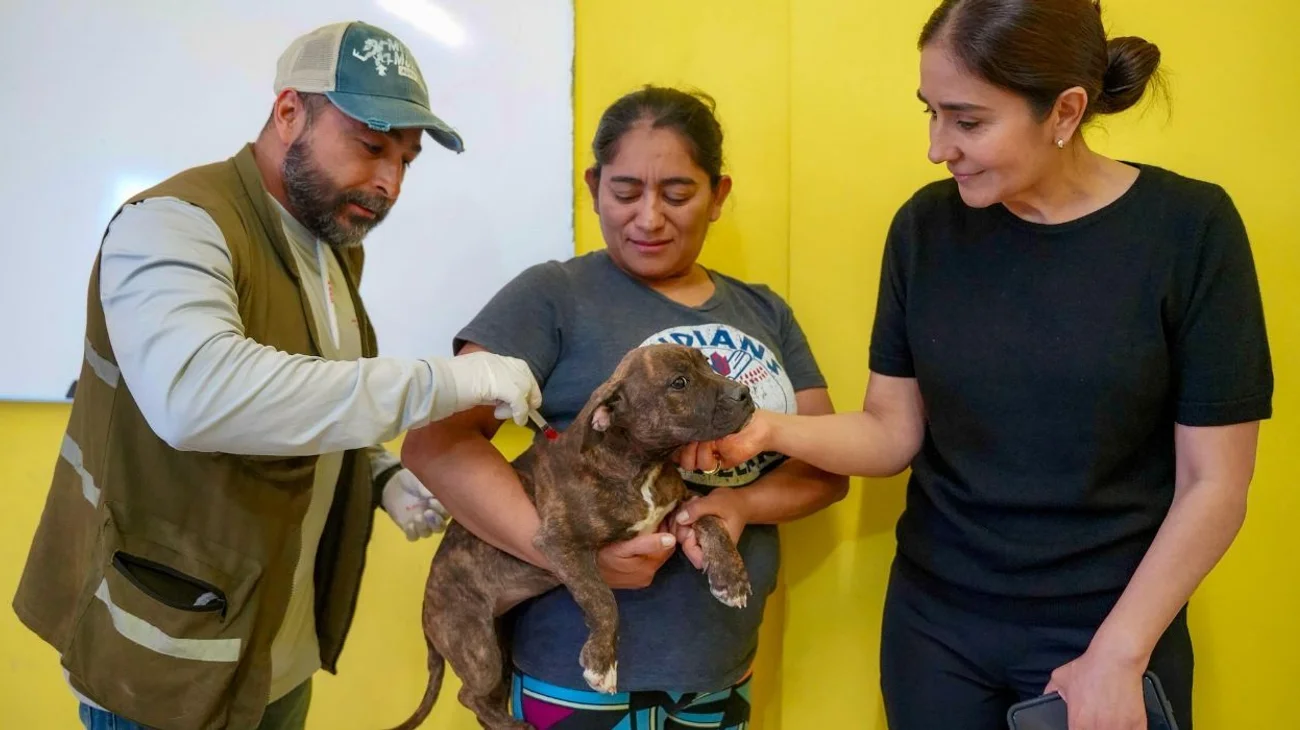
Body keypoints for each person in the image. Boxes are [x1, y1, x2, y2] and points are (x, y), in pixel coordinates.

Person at [709, 1, 1273, 729]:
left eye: (968, 121)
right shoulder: (925, 228)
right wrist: (764, 430)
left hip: (1114, 627)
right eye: (931, 113)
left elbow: (1216, 482)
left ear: (1065, 112)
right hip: (936, 629)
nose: (939, 147)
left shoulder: (1191, 231)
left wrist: (1120, 655)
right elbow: (892, 432)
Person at [12, 20, 542, 730]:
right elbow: (199, 396)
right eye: (371, 146)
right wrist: (449, 382)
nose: (387, 183)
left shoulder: (330, 244)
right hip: (166, 658)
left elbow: (300, 394)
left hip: (271, 649)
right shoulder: (172, 224)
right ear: (290, 111)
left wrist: (378, 474)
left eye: (407, 161)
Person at [401, 85, 849, 728]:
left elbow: (822, 467)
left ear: (719, 194)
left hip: (717, 668)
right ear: (593, 185)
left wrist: (742, 504)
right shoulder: (551, 297)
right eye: (626, 191)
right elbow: (436, 445)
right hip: (573, 677)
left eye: (676, 193)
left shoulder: (762, 310)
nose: (648, 218)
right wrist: (570, 556)